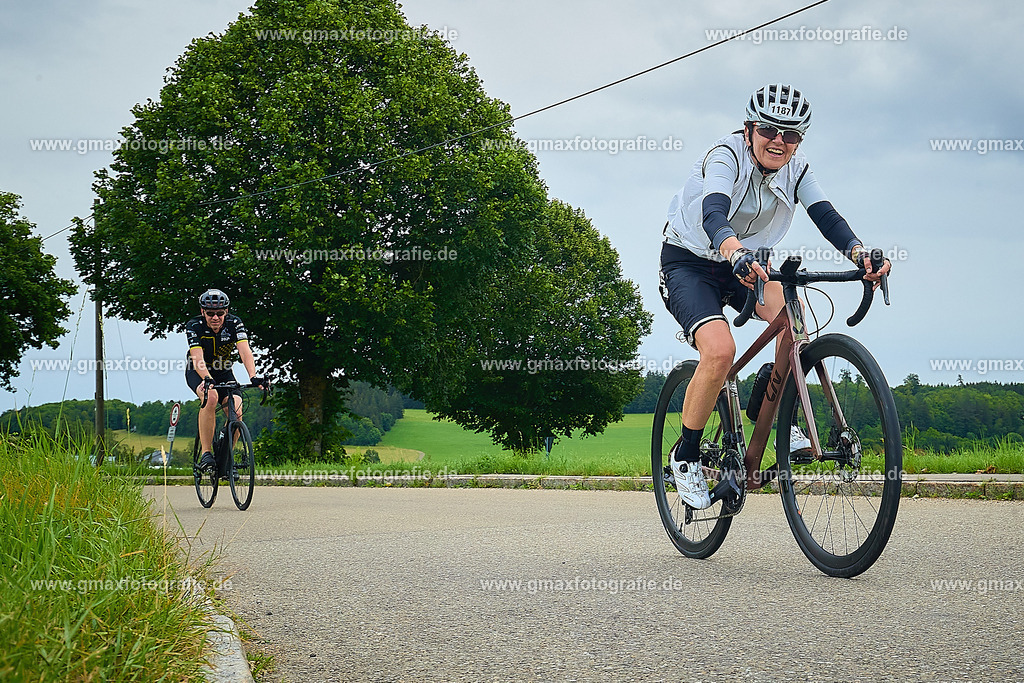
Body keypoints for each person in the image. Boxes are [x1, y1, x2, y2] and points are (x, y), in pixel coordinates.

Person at [658, 83, 891, 509]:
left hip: (750, 266)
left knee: (797, 324)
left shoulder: (798, 169)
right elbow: (713, 213)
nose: (779, 141)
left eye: (792, 134)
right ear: (749, 129)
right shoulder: (724, 156)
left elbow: (826, 216)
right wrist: (734, 251)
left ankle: (775, 409)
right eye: (769, 129)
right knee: (719, 351)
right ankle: (687, 456)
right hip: (691, 262)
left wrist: (860, 253)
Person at [184, 289, 266, 477]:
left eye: (220, 313)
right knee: (211, 397)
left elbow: (245, 351)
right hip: (198, 371)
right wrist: (207, 379)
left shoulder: (234, 323)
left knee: (236, 410)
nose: (215, 317)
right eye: (210, 313)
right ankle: (206, 453)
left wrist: (253, 376)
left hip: (223, 371)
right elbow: (197, 357)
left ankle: (226, 456)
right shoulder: (194, 325)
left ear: (226, 311)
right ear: (203, 311)